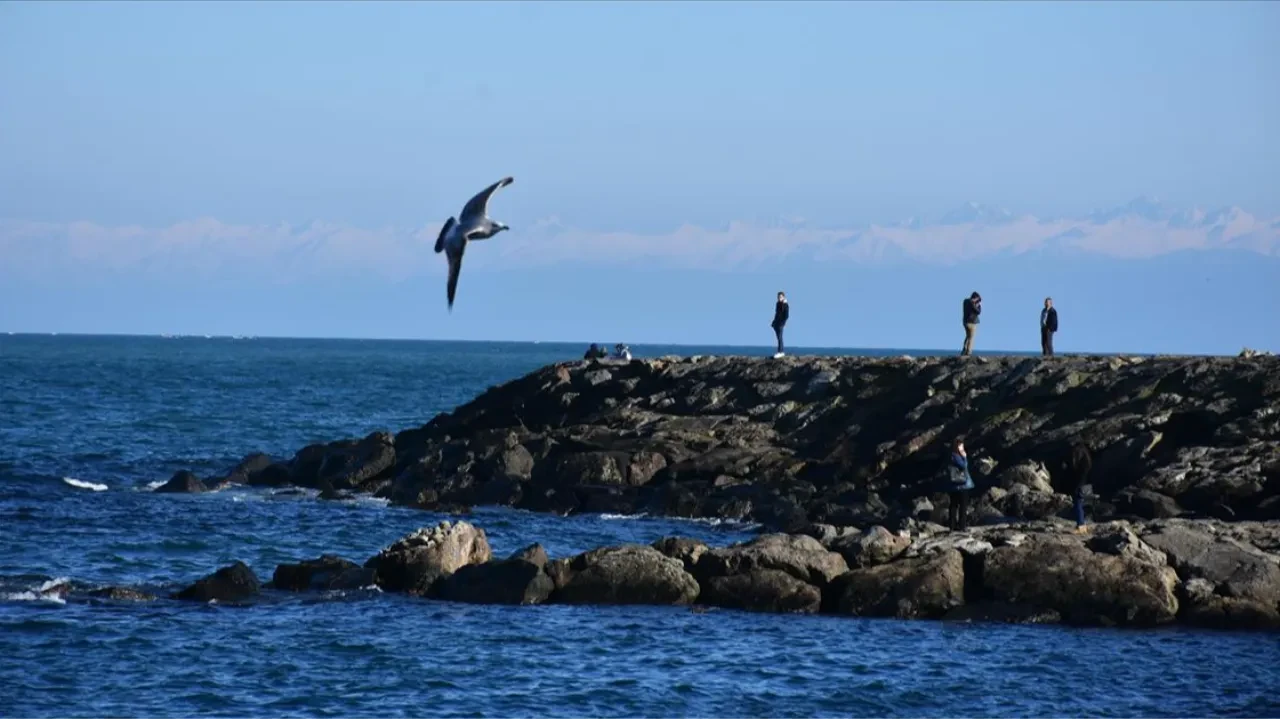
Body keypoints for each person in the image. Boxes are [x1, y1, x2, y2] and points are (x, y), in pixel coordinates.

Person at [947, 437, 975, 531]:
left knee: (954, 505)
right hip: (961, 484)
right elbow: (963, 466)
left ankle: (952, 525)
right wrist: (964, 457)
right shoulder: (956, 456)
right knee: (962, 506)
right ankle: (961, 526)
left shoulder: (950, 455)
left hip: (953, 485)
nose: (962, 447)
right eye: (960, 445)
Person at [1066, 442, 1092, 533]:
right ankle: (1083, 525)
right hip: (1085, 485)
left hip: (1079, 486)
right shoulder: (1087, 461)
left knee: (1078, 505)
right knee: (1081, 504)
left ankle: (1080, 525)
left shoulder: (1080, 459)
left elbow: (1077, 472)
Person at [961, 292, 982, 356]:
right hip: (971, 323)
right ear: (975, 298)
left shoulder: (965, 301)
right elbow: (978, 312)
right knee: (971, 337)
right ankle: (968, 352)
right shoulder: (972, 303)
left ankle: (964, 350)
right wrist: (978, 305)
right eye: (977, 299)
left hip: (965, 322)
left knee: (968, 336)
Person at [771, 291, 789, 358]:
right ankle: (780, 352)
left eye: (780, 297)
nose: (779, 298)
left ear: (783, 297)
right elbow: (777, 313)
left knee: (780, 337)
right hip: (776, 323)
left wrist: (783, 322)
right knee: (778, 338)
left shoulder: (786, 305)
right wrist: (774, 321)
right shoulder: (777, 303)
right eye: (778, 297)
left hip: (781, 323)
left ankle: (781, 352)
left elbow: (786, 315)